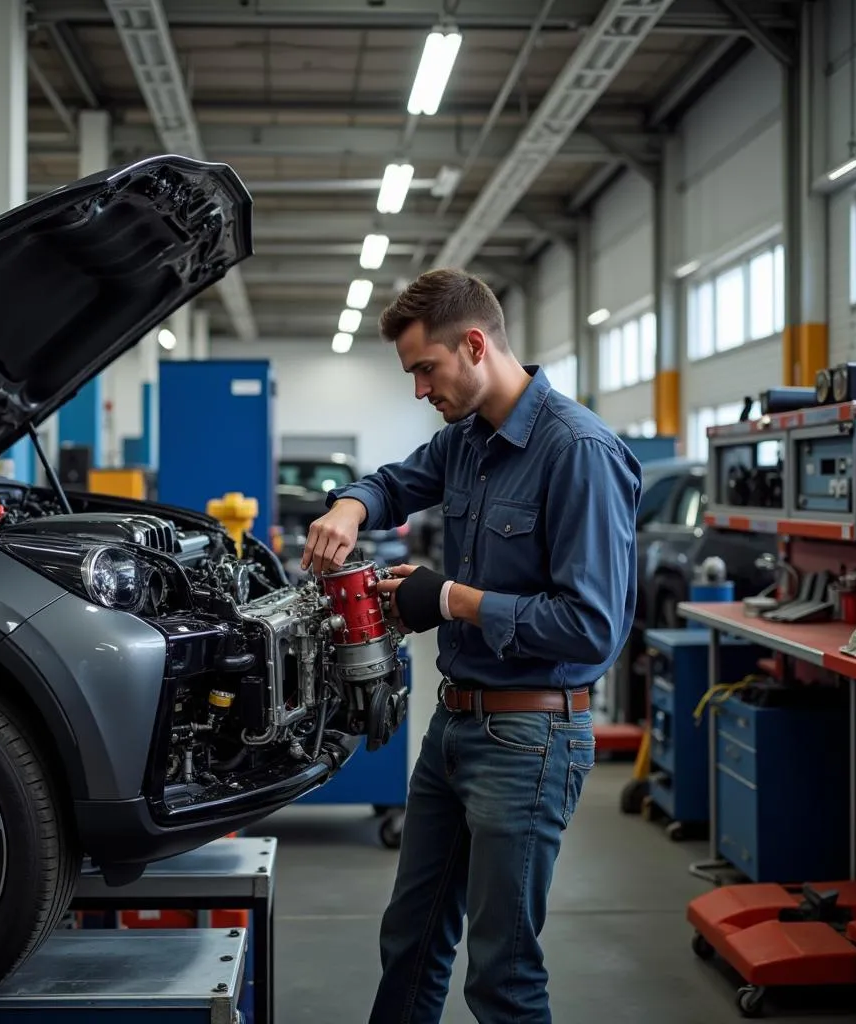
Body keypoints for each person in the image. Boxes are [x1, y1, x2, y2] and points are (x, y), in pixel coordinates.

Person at [300, 268, 642, 1024]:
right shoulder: (465, 443)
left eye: (427, 369)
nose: (420, 390)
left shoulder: (578, 452)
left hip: (530, 737)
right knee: (412, 941)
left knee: (503, 975)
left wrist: (449, 598)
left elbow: (593, 628)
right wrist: (353, 506)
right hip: (453, 728)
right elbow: (393, 482)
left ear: (476, 344)